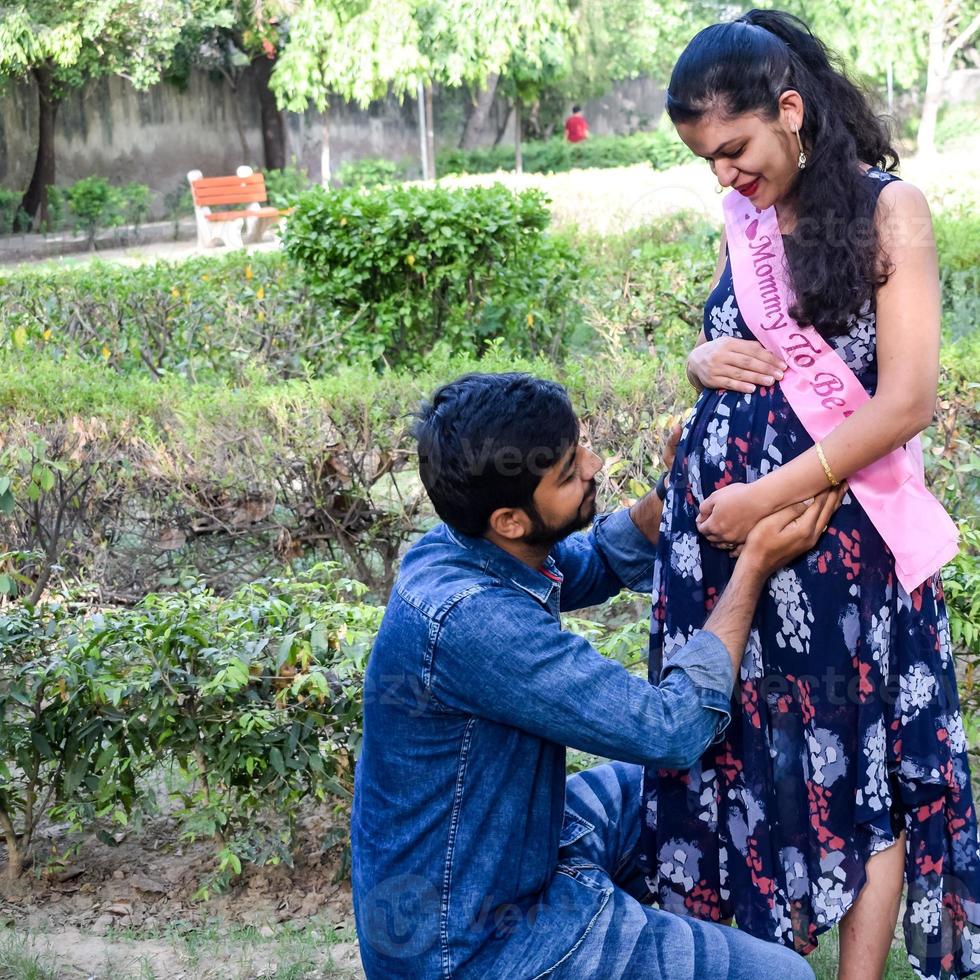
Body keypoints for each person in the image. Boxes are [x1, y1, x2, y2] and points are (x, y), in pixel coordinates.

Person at [640, 8, 980, 980]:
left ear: (788, 111)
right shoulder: (741, 218)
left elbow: (906, 397)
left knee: (852, 767)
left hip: (836, 548)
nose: (723, 174)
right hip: (724, 557)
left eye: (735, 148)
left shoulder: (889, 210)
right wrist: (697, 355)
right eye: (703, 158)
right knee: (749, 765)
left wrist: (762, 499)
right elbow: (725, 346)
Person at [351, 372, 840, 978]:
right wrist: (756, 565)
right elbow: (670, 729)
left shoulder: (464, 547)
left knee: (704, 780)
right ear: (510, 519)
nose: (594, 464)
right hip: (474, 944)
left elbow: (597, 560)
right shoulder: (475, 623)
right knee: (783, 977)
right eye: (567, 471)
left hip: (522, 849)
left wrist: (672, 493)